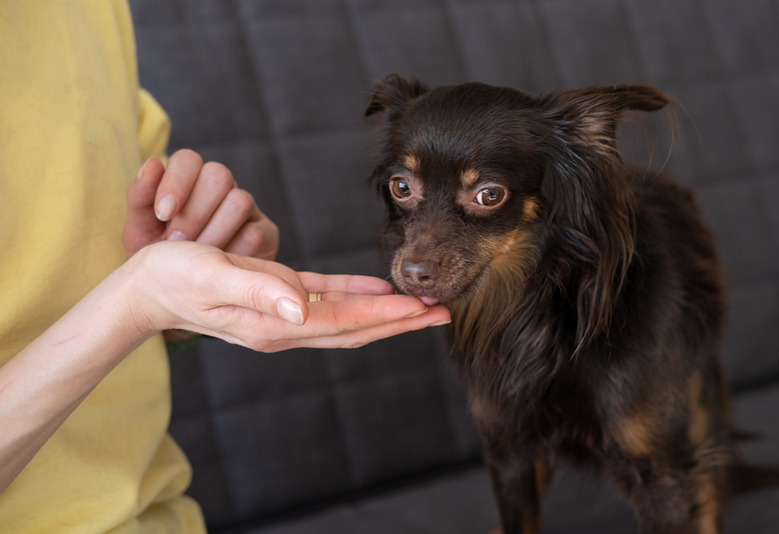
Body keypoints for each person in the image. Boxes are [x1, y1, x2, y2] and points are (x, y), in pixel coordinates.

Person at [0, 2, 450, 533]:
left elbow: (142, 315)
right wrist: (135, 300)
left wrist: (182, 290)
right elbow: (132, 301)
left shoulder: (86, 12)